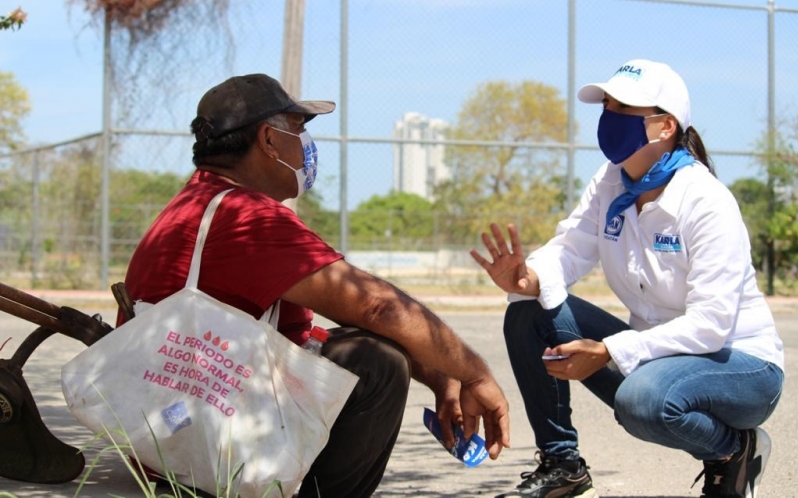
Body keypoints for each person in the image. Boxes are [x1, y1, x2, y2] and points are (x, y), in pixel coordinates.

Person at [119, 73, 510, 497]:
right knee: (378, 363)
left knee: (364, 346)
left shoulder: (200, 200)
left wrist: (440, 377)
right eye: (299, 129)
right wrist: (475, 375)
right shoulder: (247, 218)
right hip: (200, 446)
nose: (306, 144)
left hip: (174, 426)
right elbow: (378, 308)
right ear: (268, 140)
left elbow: (313, 332)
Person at [471, 59, 784, 498]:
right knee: (528, 310)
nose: (608, 117)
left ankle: (733, 452)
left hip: (740, 366)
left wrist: (607, 350)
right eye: (607, 105)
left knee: (641, 400)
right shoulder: (611, 183)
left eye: (623, 108)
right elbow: (572, 246)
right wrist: (529, 277)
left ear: (664, 126)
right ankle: (564, 466)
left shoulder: (706, 202)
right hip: (658, 355)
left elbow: (711, 324)